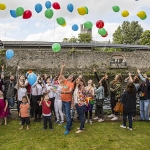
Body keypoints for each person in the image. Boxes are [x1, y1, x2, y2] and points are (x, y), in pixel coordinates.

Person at [60, 63, 74, 135]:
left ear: (71, 79)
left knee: (68, 115)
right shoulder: (65, 81)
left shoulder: (71, 84)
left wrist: (63, 93)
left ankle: (68, 129)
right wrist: (62, 67)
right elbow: (61, 75)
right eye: (68, 76)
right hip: (63, 100)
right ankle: (69, 124)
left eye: (70, 76)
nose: (68, 77)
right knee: (66, 113)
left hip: (67, 101)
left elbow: (70, 91)